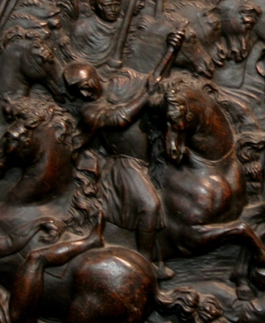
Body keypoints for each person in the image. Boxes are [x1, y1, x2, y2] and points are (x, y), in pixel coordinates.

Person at [62, 30, 182, 266]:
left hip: (147, 160)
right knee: (150, 206)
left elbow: (152, 80)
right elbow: (121, 118)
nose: (85, 93)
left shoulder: (121, 83)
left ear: (95, 76)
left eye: (86, 85)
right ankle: (145, 264)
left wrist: (171, 50)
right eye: (79, 91)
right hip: (123, 165)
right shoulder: (89, 111)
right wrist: (145, 97)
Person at [70, 0, 124, 64]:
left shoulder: (123, 27)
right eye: (107, 5)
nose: (113, 10)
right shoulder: (82, 28)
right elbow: (74, 59)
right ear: (94, 6)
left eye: (116, 5)